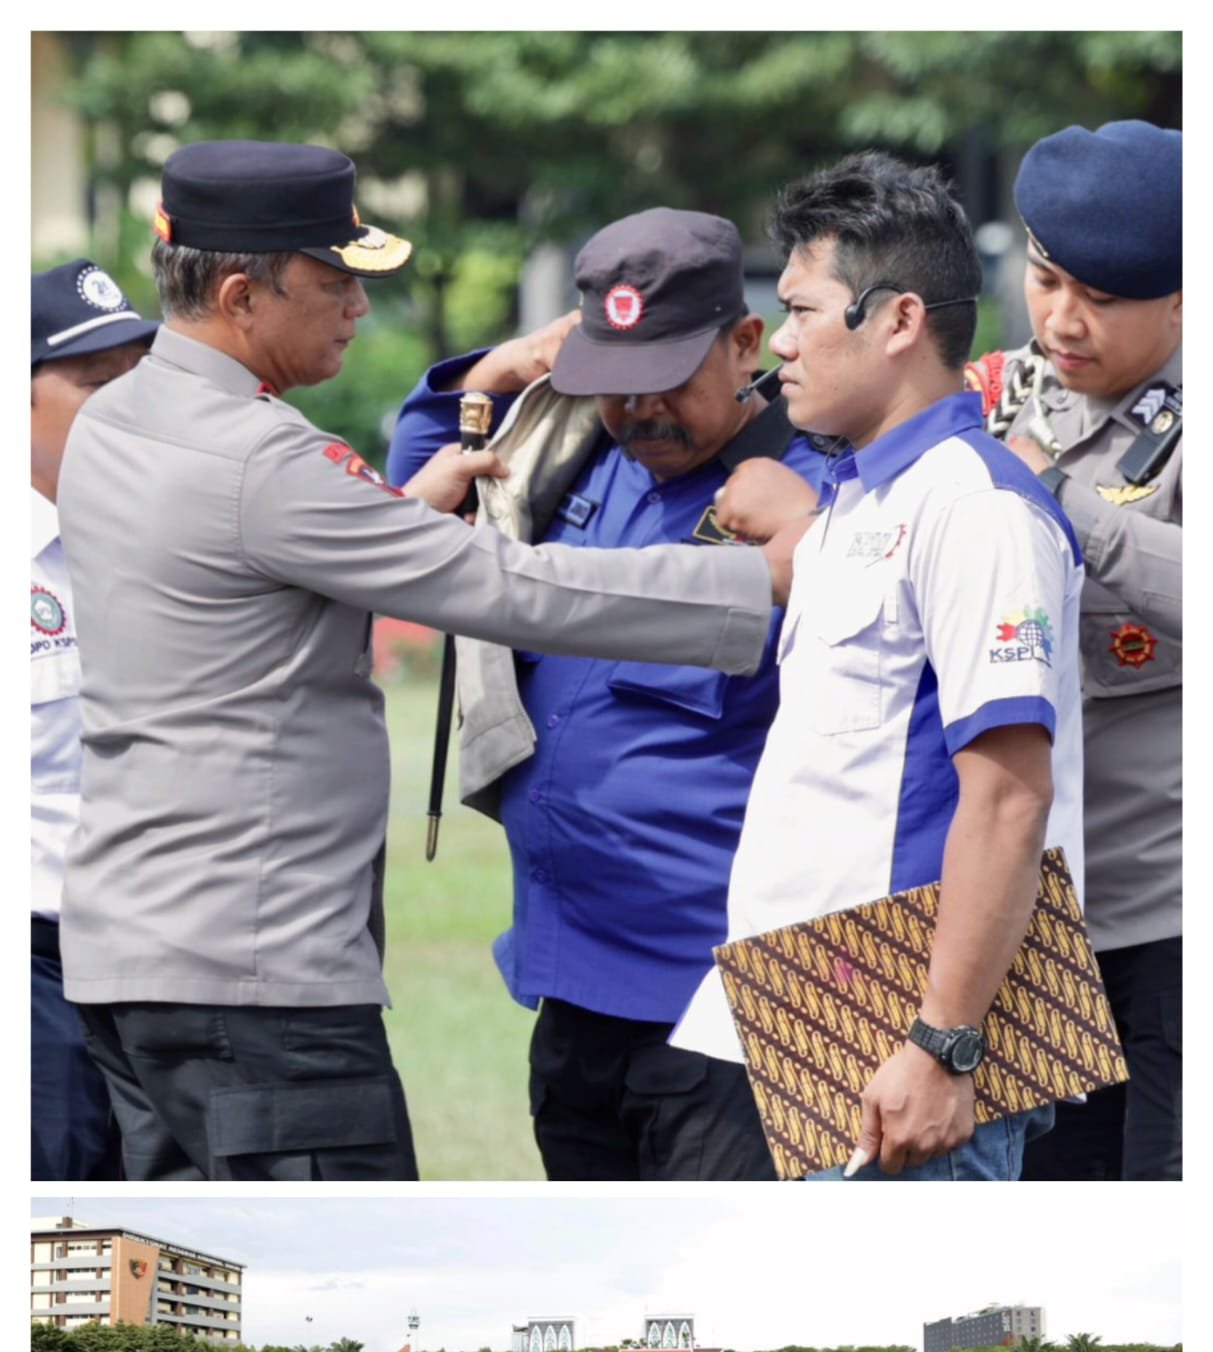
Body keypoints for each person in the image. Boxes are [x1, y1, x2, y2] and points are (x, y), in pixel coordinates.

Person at [55, 141, 798, 1184]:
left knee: (210, 1275)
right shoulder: (264, 461)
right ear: (239, 294)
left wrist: (412, 491)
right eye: (334, 280)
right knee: (330, 1306)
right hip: (259, 981)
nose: (357, 306)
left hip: (133, 959)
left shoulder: (117, 419)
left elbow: (252, 570)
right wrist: (765, 578)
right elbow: (509, 586)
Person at [389, 209, 829, 1183]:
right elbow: (412, 493)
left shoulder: (811, 497)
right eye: (611, 386)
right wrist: (498, 369)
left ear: (744, 343)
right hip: (568, 989)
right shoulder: (585, 453)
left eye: (664, 379)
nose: (639, 412)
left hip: (725, 1012)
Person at [674, 150, 1083, 1183]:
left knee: (911, 1338)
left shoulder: (974, 507)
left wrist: (943, 1042)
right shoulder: (861, 500)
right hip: (820, 1010)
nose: (779, 343)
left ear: (897, 321)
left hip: (907, 1035)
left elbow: (1007, 796)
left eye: (804, 309)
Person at [976, 121, 1181, 1184]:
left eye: (1102, 299)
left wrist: (1057, 501)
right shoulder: (1000, 392)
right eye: (1047, 280)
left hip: (1173, 919)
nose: (1063, 318)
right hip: (1039, 925)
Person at [30, 261, 157, 1181]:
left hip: (161, 965)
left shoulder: (157, 532)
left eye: (136, 376)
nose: (125, 406)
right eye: (91, 383)